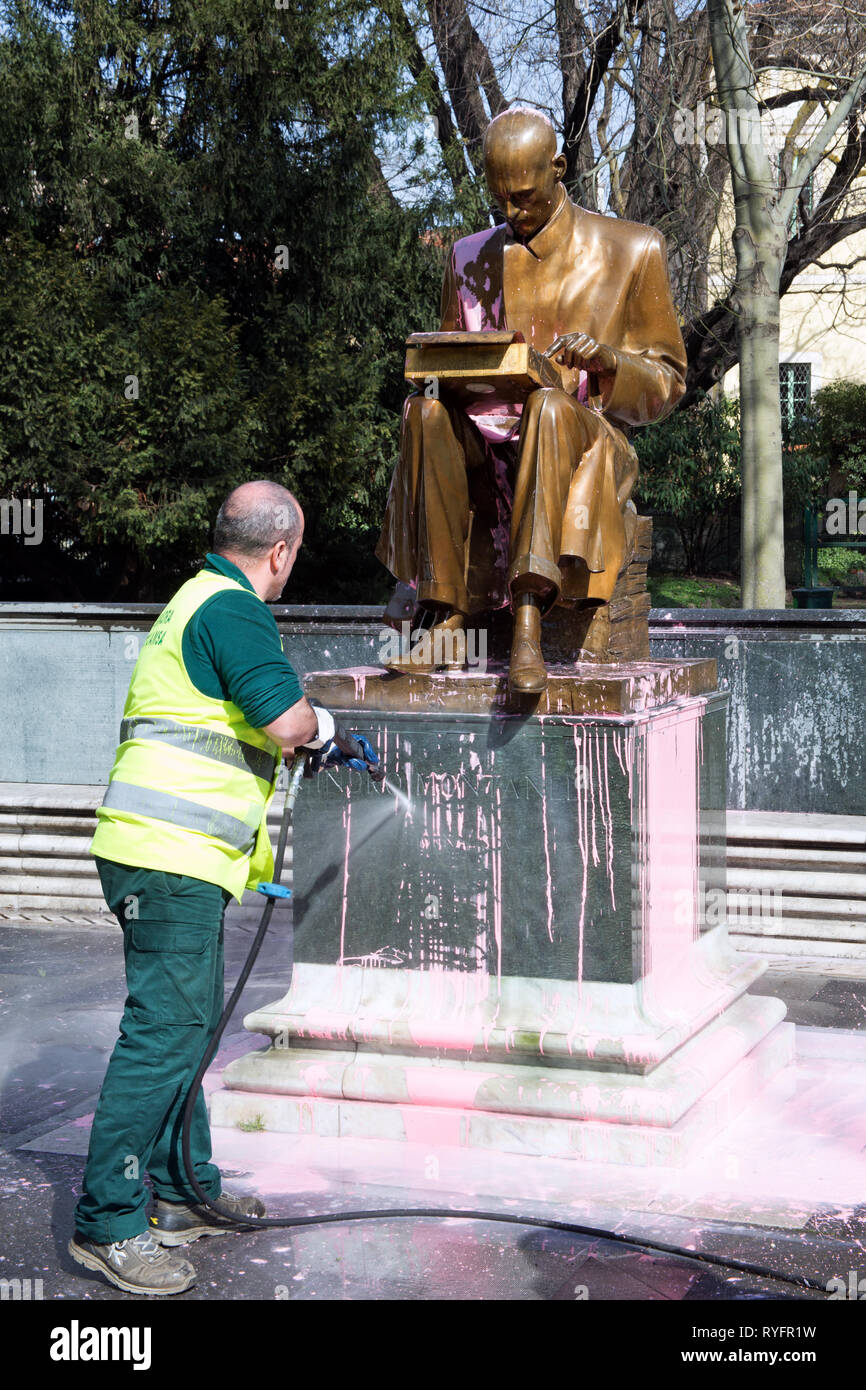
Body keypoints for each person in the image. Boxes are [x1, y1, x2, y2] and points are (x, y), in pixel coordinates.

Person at [68, 480, 370, 1296]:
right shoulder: (235, 610)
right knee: (164, 1033)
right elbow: (285, 721)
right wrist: (328, 731)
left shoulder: (193, 599)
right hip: (167, 859)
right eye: (295, 556)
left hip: (168, 856)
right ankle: (109, 1221)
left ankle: (180, 1187)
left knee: (189, 1027)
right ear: (280, 550)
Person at [376, 105, 688, 692]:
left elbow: (668, 380)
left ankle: (527, 620)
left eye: (524, 196)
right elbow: (451, 359)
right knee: (426, 411)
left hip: (583, 439)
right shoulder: (468, 257)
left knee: (547, 405)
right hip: (488, 440)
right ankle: (446, 612)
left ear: (559, 168)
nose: (512, 212)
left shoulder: (633, 249)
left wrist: (608, 362)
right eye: (501, 200)